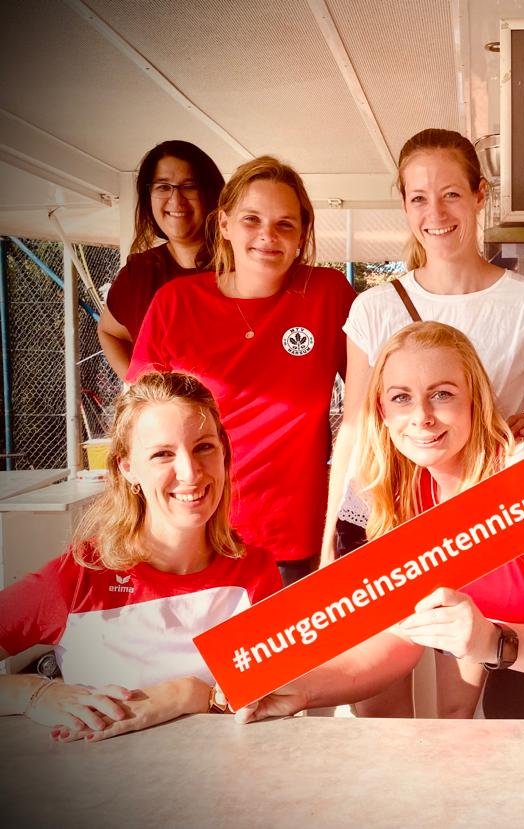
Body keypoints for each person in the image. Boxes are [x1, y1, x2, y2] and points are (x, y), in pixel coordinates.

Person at [238, 322, 524, 722]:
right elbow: (398, 639)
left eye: (442, 394)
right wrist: (302, 689)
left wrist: (489, 642)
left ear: (475, 400)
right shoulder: (401, 492)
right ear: (382, 411)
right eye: (401, 398)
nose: (422, 417)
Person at [320, 128, 524, 571]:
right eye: (419, 198)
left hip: (489, 520)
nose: (435, 213)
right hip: (393, 521)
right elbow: (356, 432)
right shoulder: (373, 308)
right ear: (404, 205)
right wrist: (329, 547)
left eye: (451, 194)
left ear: (479, 195)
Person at [0, 371, 281, 742]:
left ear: (224, 453)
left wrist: (188, 694)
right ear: (127, 468)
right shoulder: (80, 576)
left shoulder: (256, 572)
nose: (190, 473)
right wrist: (34, 694)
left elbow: (273, 699)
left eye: (204, 447)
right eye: (163, 454)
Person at [128, 156, 356, 585]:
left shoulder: (327, 295)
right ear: (225, 224)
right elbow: (137, 422)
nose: (268, 235)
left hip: (294, 542)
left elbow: (377, 402)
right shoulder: (176, 303)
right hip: (194, 535)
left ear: (302, 234)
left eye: (285, 224)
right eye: (252, 219)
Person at [98, 141, 225, 378]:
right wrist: (140, 387)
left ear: (209, 193)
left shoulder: (242, 267)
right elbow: (109, 332)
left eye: (189, 186)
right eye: (163, 187)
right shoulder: (138, 273)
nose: (176, 200)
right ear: (149, 196)